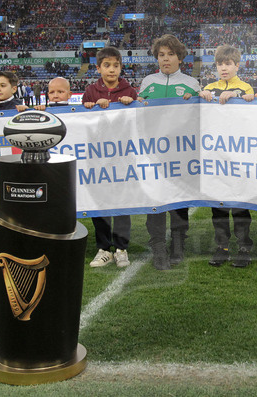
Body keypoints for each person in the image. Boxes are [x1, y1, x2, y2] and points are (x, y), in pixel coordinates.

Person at [137, 35, 200, 270]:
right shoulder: (148, 82)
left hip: (181, 154)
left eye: (170, 54)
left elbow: (199, 117)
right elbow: (137, 114)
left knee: (178, 200)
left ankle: (178, 242)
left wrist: (194, 100)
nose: (166, 59)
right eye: (161, 55)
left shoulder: (191, 84)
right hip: (154, 153)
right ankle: (158, 247)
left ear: (179, 57)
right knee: (155, 200)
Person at [199, 44, 256, 267]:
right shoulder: (210, 87)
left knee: (240, 206)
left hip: (238, 157)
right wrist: (199, 94)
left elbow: (250, 103)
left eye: (228, 64)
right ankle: (221, 247)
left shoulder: (245, 87)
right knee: (219, 207)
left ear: (237, 65)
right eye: (220, 64)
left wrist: (237, 95)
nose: (224, 68)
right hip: (216, 158)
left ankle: (244, 248)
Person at [83, 47, 136, 269]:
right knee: (101, 203)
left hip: (123, 157)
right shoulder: (90, 91)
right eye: (107, 65)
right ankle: (104, 248)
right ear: (98, 68)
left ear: (120, 67)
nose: (111, 69)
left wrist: (129, 103)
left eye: (115, 65)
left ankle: (121, 247)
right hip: (98, 159)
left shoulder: (130, 91)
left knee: (122, 203)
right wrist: (89, 106)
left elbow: (138, 119)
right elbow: (83, 123)